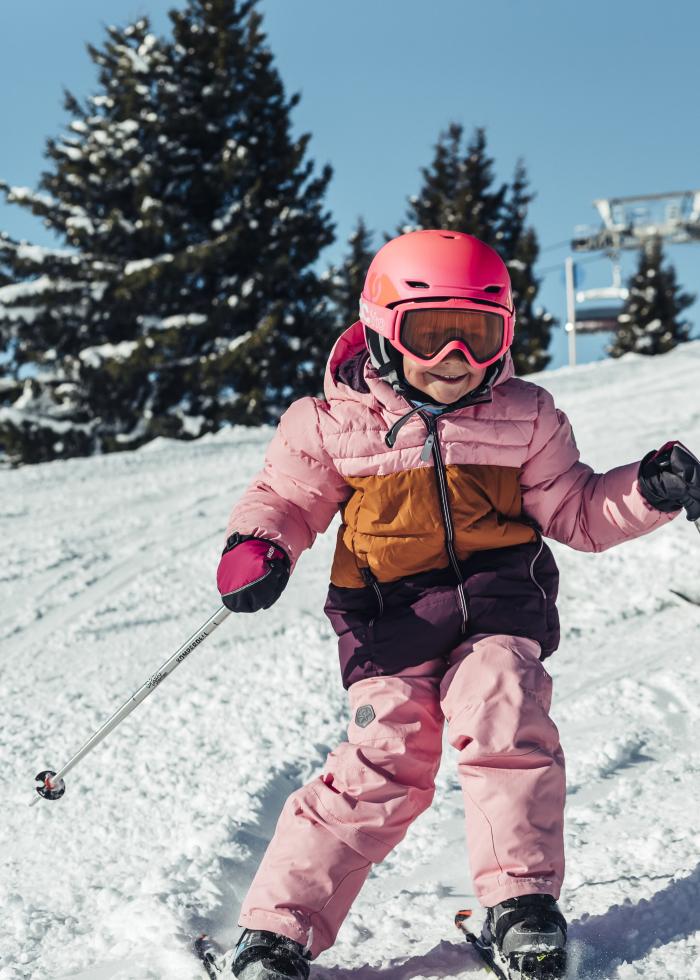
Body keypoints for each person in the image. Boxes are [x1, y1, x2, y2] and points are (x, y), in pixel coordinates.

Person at [216, 230, 700, 980]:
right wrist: (262, 546)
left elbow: (575, 511)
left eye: (478, 338)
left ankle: (521, 903)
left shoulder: (525, 416)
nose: (455, 362)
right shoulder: (331, 422)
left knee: (506, 707)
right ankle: (279, 930)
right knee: (384, 761)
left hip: (499, 610)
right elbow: (286, 496)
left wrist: (647, 487)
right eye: (431, 335)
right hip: (391, 621)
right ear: (381, 332)